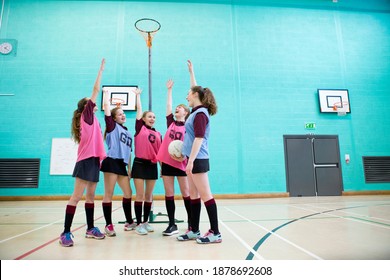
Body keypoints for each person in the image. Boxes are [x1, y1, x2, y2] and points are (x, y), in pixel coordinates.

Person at [59, 59, 107, 247]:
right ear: (85, 107)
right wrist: (100, 70)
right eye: (90, 103)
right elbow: (95, 90)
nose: (93, 103)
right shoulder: (86, 115)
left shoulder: (94, 120)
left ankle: (90, 228)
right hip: (85, 160)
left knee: (90, 197)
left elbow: (98, 140)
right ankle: (65, 232)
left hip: (94, 160)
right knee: (76, 197)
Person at [175, 60, 222, 244]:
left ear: (195, 95)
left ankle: (215, 232)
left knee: (205, 195)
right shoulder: (196, 110)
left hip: (198, 159)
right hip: (192, 158)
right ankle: (194, 229)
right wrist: (191, 72)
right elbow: (195, 89)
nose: (186, 96)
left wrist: (191, 161)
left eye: (188, 93)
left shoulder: (201, 114)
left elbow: (199, 138)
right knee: (193, 195)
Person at [156, 79, 191, 236]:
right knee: (169, 193)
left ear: (186, 113)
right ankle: (172, 224)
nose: (177, 109)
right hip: (168, 162)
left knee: (186, 192)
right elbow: (168, 107)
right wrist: (169, 90)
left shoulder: (189, 126)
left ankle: (192, 223)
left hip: (182, 162)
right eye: (177, 109)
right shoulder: (171, 122)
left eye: (180, 108)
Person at [100, 91, 136, 237]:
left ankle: (129, 221)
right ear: (114, 118)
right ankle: (108, 225)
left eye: (123, 113)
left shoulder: (127, 132)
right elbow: (107, 112)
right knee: (109, 194)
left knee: (128, 193)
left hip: (122, 165)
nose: (123, 115)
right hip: (111, 162)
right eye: (120, 114)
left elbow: (129, 153)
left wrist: (130, 169)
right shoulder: (112, 126)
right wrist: (107, 98)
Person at [131, 88, 162, 235]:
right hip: (139, 164)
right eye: (149, 116)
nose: (152, 119)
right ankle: (138, 224)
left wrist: (162, 168)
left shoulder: (158, 134)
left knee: (149, 196)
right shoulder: (139, 128)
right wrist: (138, 97)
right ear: (143, 119)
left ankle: (145, 222)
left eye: (154, 117)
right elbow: (139, 111)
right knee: (140, 195)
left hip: (152, 165)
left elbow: (160, 153)